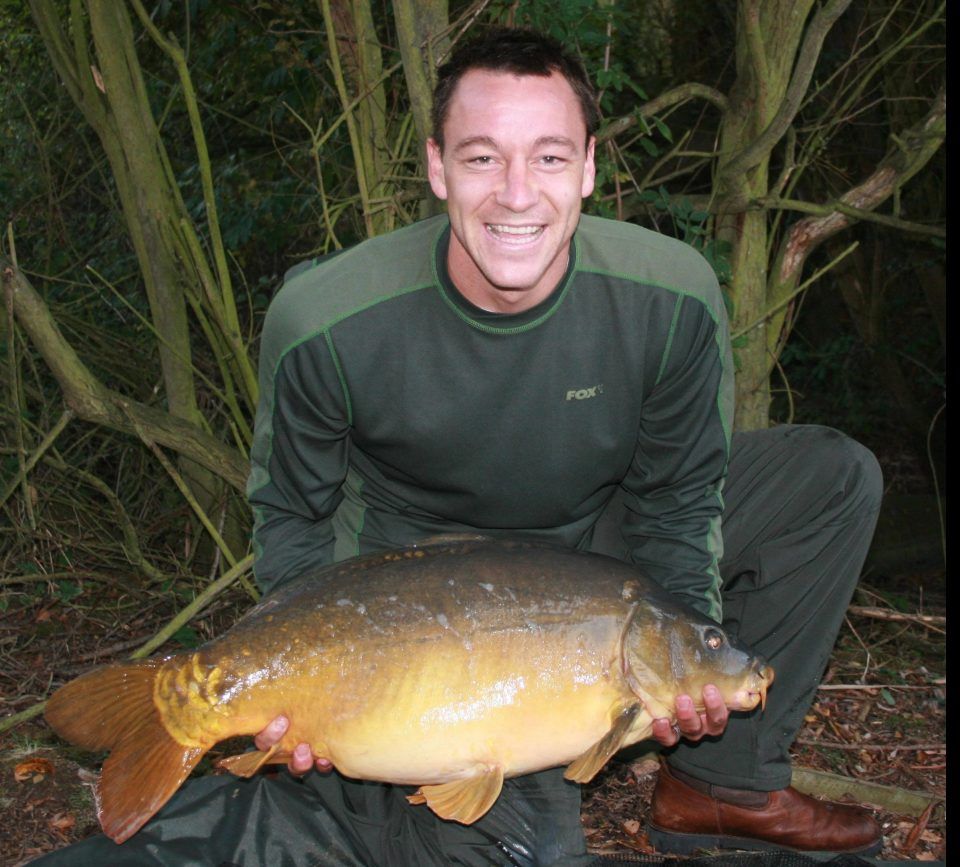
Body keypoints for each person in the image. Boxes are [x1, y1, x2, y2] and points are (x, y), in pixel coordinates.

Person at [35, 26, 882, 866]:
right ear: (438, 167)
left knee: (831, 478)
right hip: (410, 594)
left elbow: (679, 501)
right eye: (483, 158)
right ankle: (316, 790)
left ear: (589, 166)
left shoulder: (671, 295)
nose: (517, 193)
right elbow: (292, 516)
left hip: (590, 560)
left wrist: (690, 656)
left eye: (549, 157)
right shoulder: (327, 318)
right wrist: (312, 686)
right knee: (523, 849)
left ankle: (720, 786)